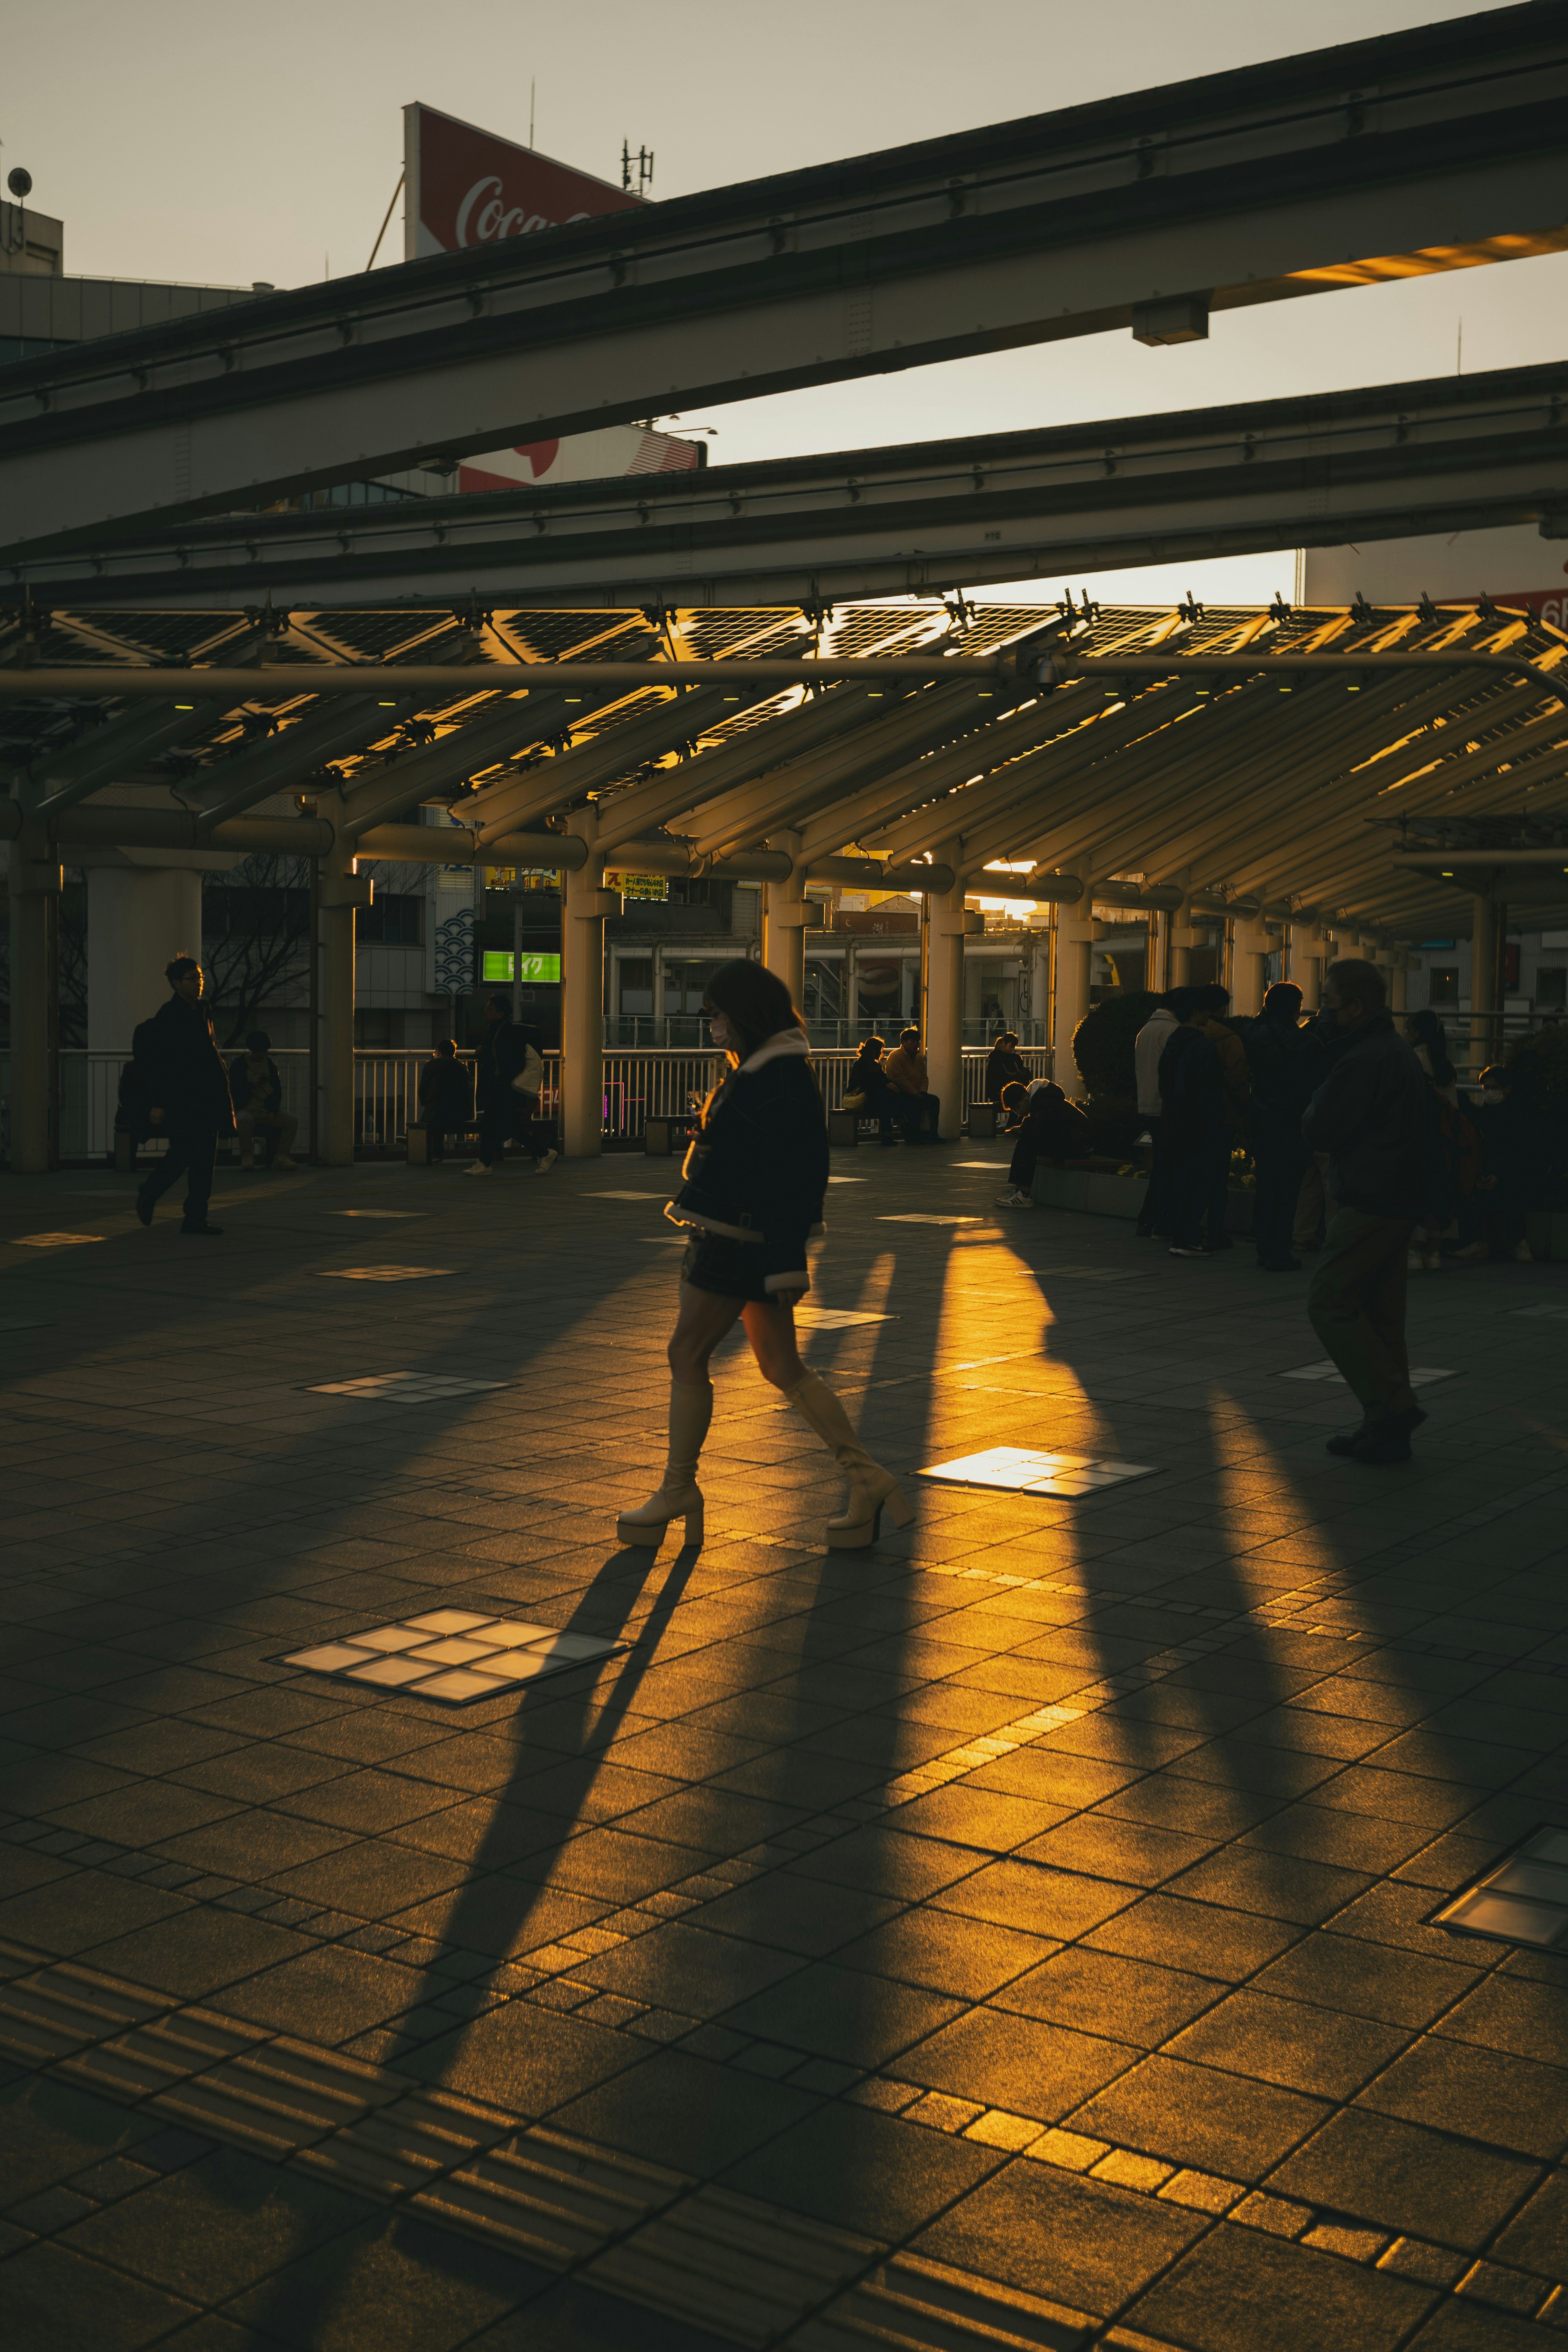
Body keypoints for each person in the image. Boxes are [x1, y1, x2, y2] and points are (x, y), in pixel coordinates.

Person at [619, 960, 913, 1554]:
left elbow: (798, 1174)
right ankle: (866, 1479)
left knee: (686, 1352)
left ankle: (679, 1490)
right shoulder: (769, 1072)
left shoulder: (774, 1077)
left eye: (718, 1013)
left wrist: (786, 1261)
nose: (711, 1024)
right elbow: (771, 1162)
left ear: (746, 1015)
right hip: (745, 1238)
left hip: (736, 1239)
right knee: (782, 1366)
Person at [1303, 959, 1431, 1464]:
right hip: (1400, 1197)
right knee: (1381, 1315)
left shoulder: (1362, 1059)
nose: (1323, 1012)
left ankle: (1394, 1407)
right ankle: (1384, 1427)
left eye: (1329, 1001)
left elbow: (1321, 1128)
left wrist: (1315, 1098)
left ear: (1355, 1006)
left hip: (1371, 1197)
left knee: (1329, 1299)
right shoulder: (1395, 1052)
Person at [133, 956, 235, 1236]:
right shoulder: (169, 1015)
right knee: (183, 1154)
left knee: (204, 1161)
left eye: (200, 977)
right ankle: (152, 1191)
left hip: (207, 1095)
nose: (198, 983)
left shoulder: (204, 1010)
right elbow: (162, 1064)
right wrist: (159, 1102)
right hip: (182, 1098)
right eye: (192, 978)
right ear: (176, 983)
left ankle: (195, 1218)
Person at [1244, 983, 1314, 1271]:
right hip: (1290, 1121)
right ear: (1292, 1006)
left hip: (1260, 1118)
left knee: (1266, 1185)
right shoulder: (1303, 1042)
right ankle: (1280, 1249)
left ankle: (1264, 1246)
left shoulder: (1252, 1034)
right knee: (1287, 1190)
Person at [1158, 987, 1226, 1258]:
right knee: (1201, 1180)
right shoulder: (1203, 1046)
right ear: (1197, 1013)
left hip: (1174, 1120)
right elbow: (1212, 1089)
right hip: (1200, 1124)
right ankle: (1190, 1237)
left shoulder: (1173, 1043)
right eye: (1205, 1010)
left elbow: (1165, 1083)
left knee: (1179, 1180)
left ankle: (1182, 1236)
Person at [467, 994, 557, 1177]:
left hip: (503, 1088)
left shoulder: (506, 1033)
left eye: (490, 1009)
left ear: (500, 1013)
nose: (486, 1011)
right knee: (506, 1127)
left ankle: (485, 1164)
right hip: (500, 1087)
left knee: (492, 1125)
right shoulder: (495, 1030)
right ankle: (544, 1153)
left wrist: (500, 1081)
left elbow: (511, 1063)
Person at [1198, 984, 1250, 1249]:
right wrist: (1242, 1110)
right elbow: (1237, 1079)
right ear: (1222, 1008)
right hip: (1222, 1115)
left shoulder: (1185, 1035)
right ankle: (1215, 1230)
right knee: (1218, 1177)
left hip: (1189, 1115)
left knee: (1191, 1172)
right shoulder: (1230, 1039)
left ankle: (1186, 1227)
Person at [994, 1081, 1091, 1208]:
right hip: (1072, 1141)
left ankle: (1023, 1193)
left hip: (1079, 1145)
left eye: (1018, 1107)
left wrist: (1023, 1131)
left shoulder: (1044, 1102)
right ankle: (1020, 1192)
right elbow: (1041, 1126)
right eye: (1015, 1110)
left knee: (1028, 1142)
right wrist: (1023, 1130)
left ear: (1025, 1097)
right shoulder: (1041, 1100)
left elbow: (1042, 1129)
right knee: (1026, 1140)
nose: (1019, 1112)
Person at [1133, 992, 1179, 1238]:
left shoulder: (1146, 1030)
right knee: (1167, 1168)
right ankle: (1157, 1221)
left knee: (1162, 1166)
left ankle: (1149, 1220)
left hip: (1148, 1104)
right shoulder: (1172, 1031)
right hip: (1165, 1107)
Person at [229, 1031, 299, 1171]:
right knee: (244, 1120)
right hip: (245, 1109)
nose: (259, 1055)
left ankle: (281, 1156)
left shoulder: (271, 1067)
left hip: (265, 1109)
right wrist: (251, 1087)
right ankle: (247, 1155)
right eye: (257, 1051)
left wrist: (272, 1111)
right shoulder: (239, 1065)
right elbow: (234, 1089)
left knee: (291, 1121)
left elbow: (277, 1092)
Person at [416, 1037, 474, 1163]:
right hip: (461, 1113)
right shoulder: (461, 1066)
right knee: (440, 1108)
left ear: (438, 1051)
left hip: (438, 1114)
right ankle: (433, 1151)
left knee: (436, 1111)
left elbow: (423, 1089)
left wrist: (424, 1101)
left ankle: (434, 1152)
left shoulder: (431, 1065)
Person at [883, 1025, 941, 1142]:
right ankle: (914, 1134)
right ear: (904, 1042)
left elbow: (924, 1077)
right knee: (917, 1104)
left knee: (934, 1101)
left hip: (916, 1093)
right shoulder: (895, 1057)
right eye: (913, 1042)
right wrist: (916, 1094)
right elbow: (899, 1080)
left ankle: (932, 1133)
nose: (916, 1044)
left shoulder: (918, 1059)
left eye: (917, 1042)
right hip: (901, 1094)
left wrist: (922, 1092)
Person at [844, 1035, 900, 1145]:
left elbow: (883, 1080)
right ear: (874, 1051)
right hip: (864, 1099)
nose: (881, 1054)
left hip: (872, 1098)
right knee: (888, 1100)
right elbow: (867, 1083)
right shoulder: (862, 1065)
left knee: (887, 1099)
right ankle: (889, 1133)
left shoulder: (869, 1064)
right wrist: (888, 1085)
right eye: (880, 1051)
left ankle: (887, 1135)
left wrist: (890, 1084)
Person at [1406, 1008, 1459, 1104]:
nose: (1405, 1032)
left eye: (1408, 1029)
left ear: (1417, 1033)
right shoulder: (1443, 1061)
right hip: (1448, 1117)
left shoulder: (1413, 1059)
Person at [984, 1030, 1029, 1114]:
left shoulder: (994, 1058)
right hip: (1007, 1092)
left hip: (1000, 1092)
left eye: (1014, 1047)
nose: (1013, 1049)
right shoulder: (1013, 1059)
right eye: (1011, 1047)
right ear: (1004, 1044)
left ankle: (1011, 1124)